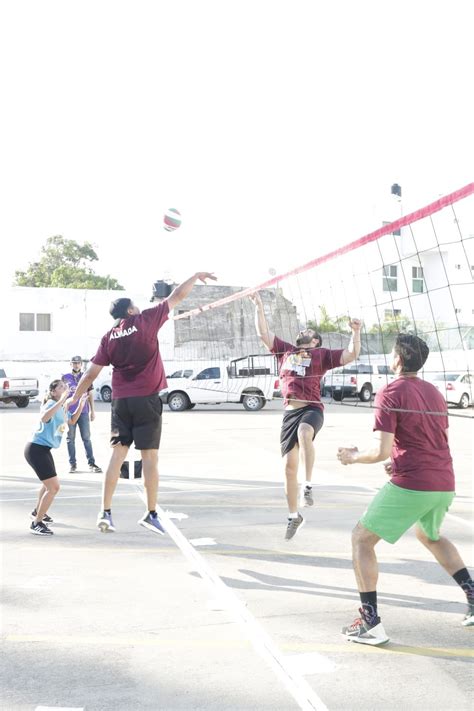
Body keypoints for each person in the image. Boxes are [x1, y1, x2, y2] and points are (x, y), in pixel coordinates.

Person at [337, 333, 474, 645]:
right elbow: (430, 440)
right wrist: (398, 461)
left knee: (361, 538)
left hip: (415, 482)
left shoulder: (390, 392)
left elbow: (381, 450)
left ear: (397, 360)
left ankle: (369, 623)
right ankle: (473, 597)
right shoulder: (435, 393)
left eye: (391, 352)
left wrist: (354, 457)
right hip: (444, 481)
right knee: (430, 536)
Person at [66, 271, 216, 535]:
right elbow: (177, 295)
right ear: (131, 309)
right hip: (146, 398)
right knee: (150, 457)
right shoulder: (145, 318)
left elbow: (91, 374)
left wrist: (74, 399)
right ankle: (151, 513)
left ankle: (106, 512)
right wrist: (194, 275)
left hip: (121, 401)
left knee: (117, 454)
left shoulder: (108, 337)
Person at [250, 292, 361, 540]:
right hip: (289, 413)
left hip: (311, 408)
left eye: (308, 331)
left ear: (315, 341)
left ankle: (308, 486)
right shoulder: (286, 351)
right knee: (289, 468)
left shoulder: (322, 355)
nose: (303, 332)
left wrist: (355, 332)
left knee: (304, 433)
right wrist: (259, 307)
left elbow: (351, 354)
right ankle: (294, 516)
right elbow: (262, 334)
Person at [25, 380, 88, 536]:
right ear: (53, 392)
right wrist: (61, 401)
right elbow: (44, 418)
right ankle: (36, 523)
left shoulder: (61, 407)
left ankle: (37, 512)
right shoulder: (51, 404)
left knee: (48, 485)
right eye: (61, 387)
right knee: (54, 487)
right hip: (35, 449)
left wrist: (80, 403)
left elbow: (72, 421)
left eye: (64, 386)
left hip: (44, 450)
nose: (64, 388)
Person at [62, 356, 102, 473]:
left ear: (81, 364)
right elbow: (62, 394)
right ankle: (72, 464)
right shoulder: (65, 378)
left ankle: (92, 463)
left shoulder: (86, 376)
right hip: (69, 412)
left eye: (78, 363)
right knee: (70, 439)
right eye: (74, 363)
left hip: (83, 412)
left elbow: (90, 394)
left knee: (86, 438)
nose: (76, 365)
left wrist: (92, 411)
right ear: (71, 364)